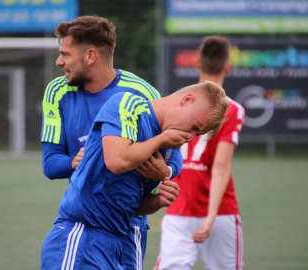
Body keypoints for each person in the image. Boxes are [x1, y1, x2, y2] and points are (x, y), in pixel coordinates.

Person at [40, 15, 184, 270]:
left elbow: (174, 155)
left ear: (90, 56)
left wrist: (167, 171)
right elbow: (50, 163)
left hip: (132, 223)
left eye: (65, 54)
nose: (59, 61)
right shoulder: (57, 91)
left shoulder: (142, 93)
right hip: (88, 221)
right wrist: (75, 162)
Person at [41, 81, 229, 269]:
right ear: (187, 100)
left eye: (198, 134)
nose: (191, 136)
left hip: (117, 242)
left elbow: (132, 205)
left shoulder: (164, 148)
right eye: (195, 126)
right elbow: (117, 161)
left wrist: (159, 200)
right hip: (82, 235)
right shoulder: (128, 104)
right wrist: (160, 140)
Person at [154, 36, 245, 270]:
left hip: (178, 203)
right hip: (219, 211)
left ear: (197, 64)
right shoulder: (232, 109)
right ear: (227, 66)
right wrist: (211, 216)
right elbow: (221, 166)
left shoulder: (180, 103)